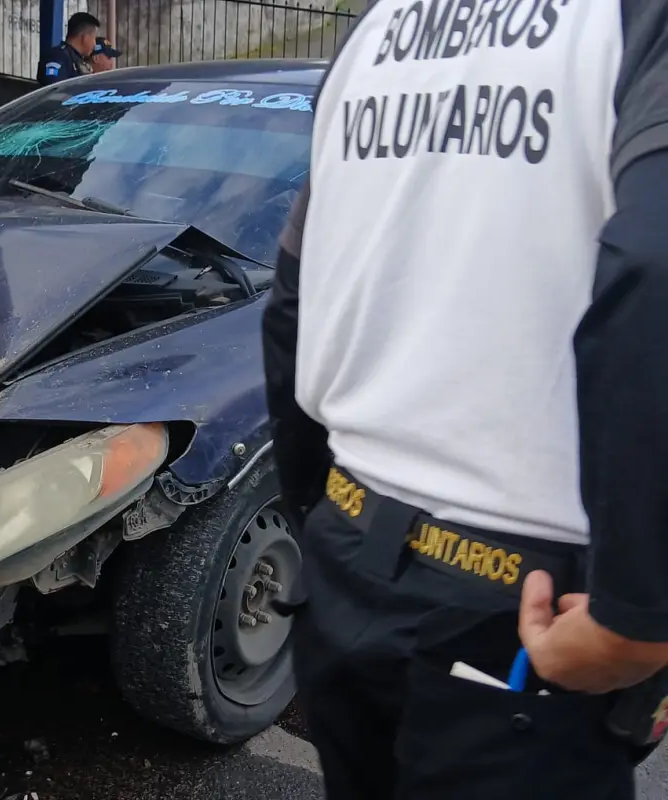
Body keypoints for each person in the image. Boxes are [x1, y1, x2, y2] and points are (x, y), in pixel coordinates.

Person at [261, 2, 668, 799]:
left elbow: (293, 296)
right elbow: (654, 269)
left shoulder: (380, 31)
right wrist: (638, 611)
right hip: (522, 603)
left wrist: (316, 508)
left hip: (347, 548)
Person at [36, 11, 99, 86]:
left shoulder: (76, 60)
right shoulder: (58, 57)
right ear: (85, 37)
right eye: (94, 38)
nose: (95, 44)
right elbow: (55, 91)